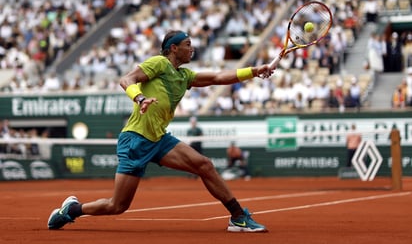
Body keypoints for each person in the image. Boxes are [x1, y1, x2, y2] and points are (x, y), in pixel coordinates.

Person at [47, 30, 272, 232]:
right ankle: (73, 209)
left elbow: (216, 77)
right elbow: (127, 79)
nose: (192, 48)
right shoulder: (159, 63)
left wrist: (254, 71)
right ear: (173, 48)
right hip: (136, 139)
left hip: (159, 139)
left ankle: (238, 217)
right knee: (118, 206)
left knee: (204, 165)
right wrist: (140, 98)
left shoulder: (185, 76)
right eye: (187, 44)